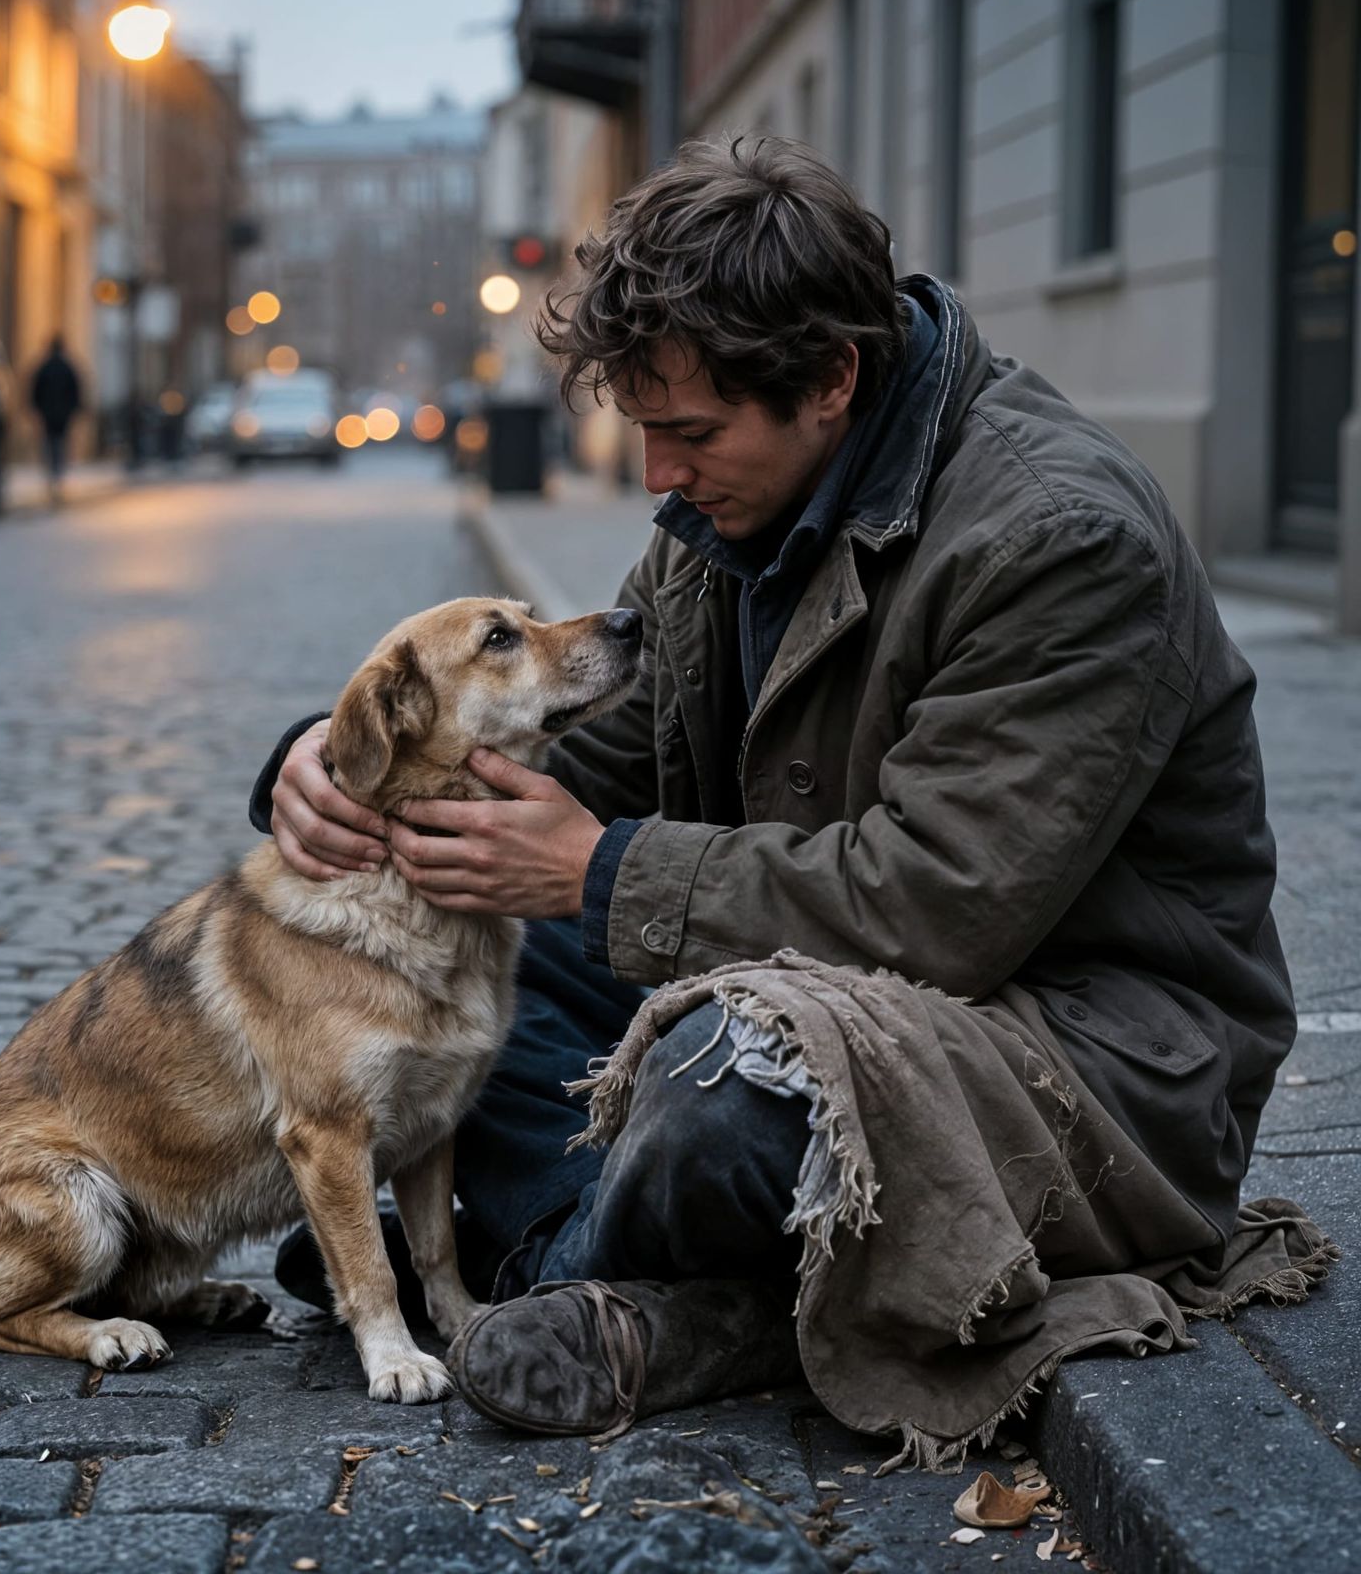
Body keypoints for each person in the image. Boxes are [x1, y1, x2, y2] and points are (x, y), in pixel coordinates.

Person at [248, 137, 1327, 1458]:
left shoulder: (1059, 537)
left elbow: (941, 909)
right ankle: (631, 1276)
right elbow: (575, 780)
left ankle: (588, 1277)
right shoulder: (721, 516)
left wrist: (598, 874)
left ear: (830, 379)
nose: (654, 474)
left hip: (1082, 1058)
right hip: (793, 974)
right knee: (448, 974)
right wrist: (334, 764)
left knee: (727, 1084)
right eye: (642, 428)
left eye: (688, 432)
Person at [29, 334, 83, 502]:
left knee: (50, 441)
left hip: (48, 412)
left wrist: (36, 407)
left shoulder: (44, 367)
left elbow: (35, 390)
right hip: (62, 413)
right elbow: (75, 391)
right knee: (59, 442)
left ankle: (53, 472)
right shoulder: (67, 367)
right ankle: (57, 472)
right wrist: (74, 408)